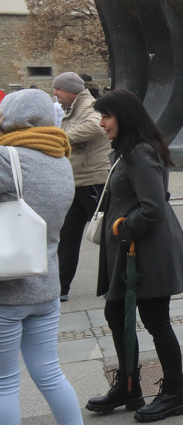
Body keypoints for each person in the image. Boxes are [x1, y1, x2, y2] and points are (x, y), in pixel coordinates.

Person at [0, 89, 96, 425]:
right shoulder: (59, 159)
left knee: (4, 382)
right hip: (46, 286)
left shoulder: (8, 159)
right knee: (50, 372)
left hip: (7, 290)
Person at [85, 90, 183, 423]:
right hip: (132, 251)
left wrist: (123, 227)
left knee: (156, 321)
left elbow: (153, 206)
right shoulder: (126, 151)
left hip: (147, 251)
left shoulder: (139, 151)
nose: (101, 123)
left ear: (124, 118)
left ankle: (175, 393)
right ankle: (130, 386)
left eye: (106, 116)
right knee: (116, 312)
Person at [52, 72, 109, 303]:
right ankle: (60, 287)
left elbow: (96, 126)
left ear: (69, 91)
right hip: (77, 181)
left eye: (58, 89)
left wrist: (63, 137)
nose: (55, 93)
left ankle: (111, 285)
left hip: (93, 180)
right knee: (68, 236)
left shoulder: (88, 105)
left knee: (105, 234)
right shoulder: (74, 108)